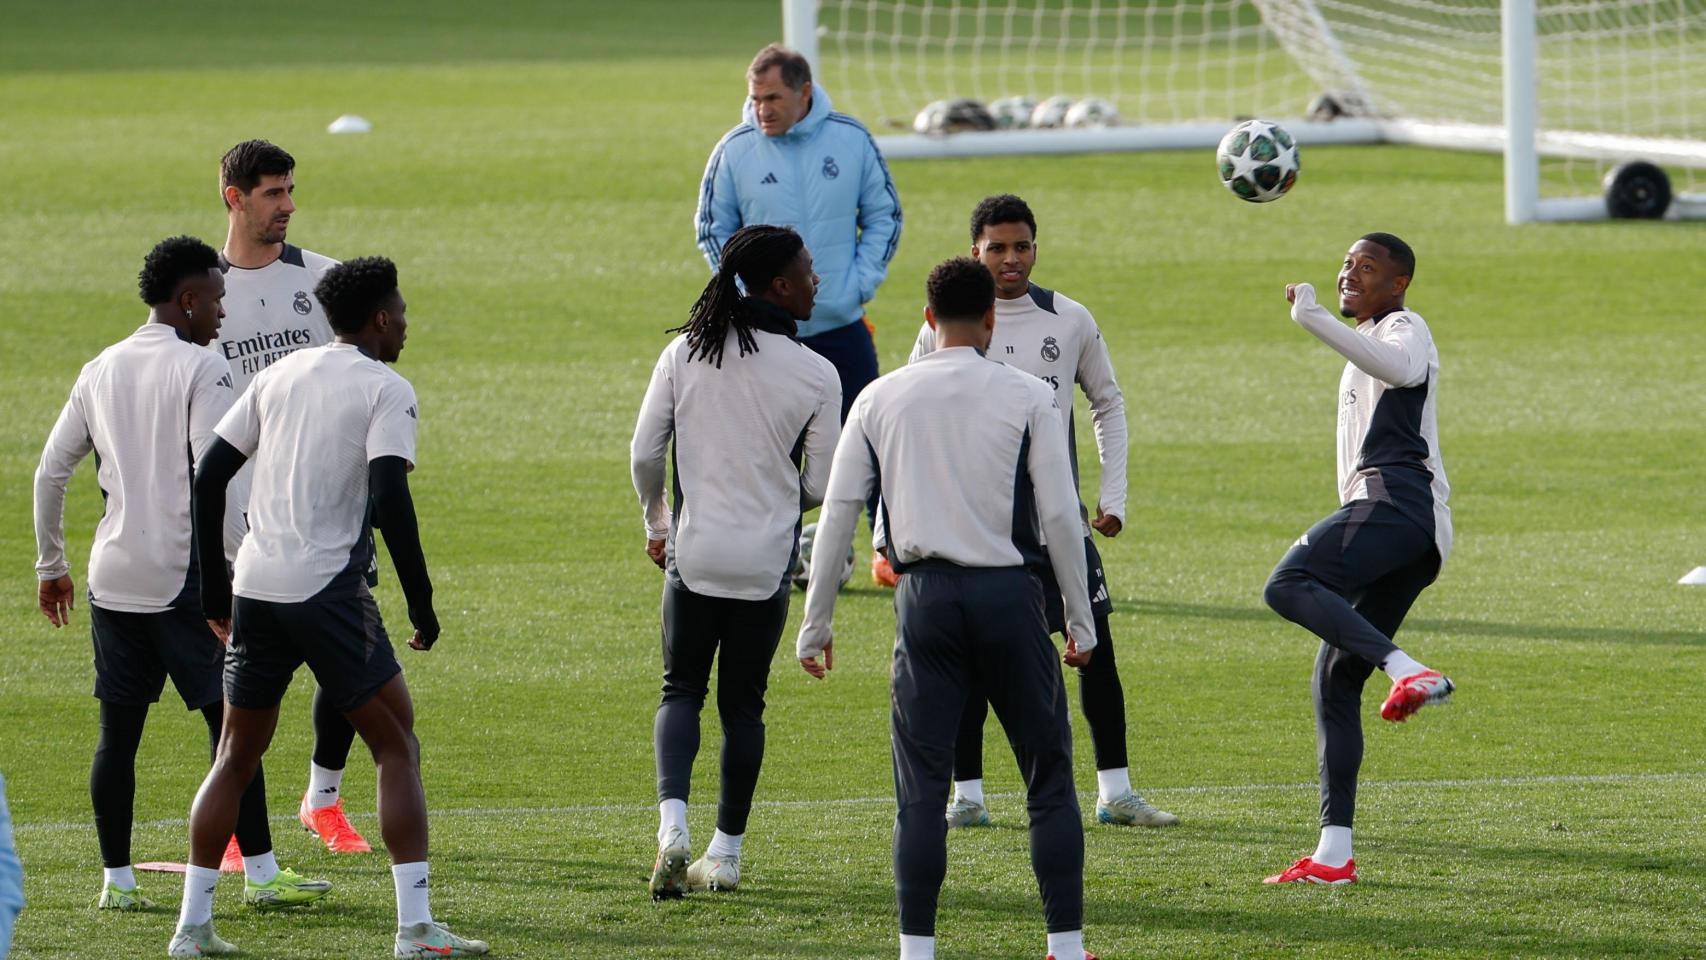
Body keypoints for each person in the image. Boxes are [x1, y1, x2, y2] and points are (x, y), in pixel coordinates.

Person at [175, 257, 486, 957]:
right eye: (401, 312)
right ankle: (413, 929)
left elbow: (209, 474)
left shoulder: (279, 376)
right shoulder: (386, 388)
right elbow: (390, 498)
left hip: (255, 584)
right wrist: (422, 601)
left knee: (234, 756)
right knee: (397, 746)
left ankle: (191, 929)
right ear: (380, 319)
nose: (406, 323)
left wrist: (212, 589)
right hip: (326, 591)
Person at [797, 258, 1098, 960]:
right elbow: (1059, 516)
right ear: (992, 318)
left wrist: (816, 625)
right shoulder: (1028, 397)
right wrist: (1079, 621)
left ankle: (917, 952)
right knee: (1048, 778)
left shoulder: (878, 397)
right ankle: (1068, 946)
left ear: (928, 321)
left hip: (924, 601)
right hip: (1010, 598)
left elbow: (840, 514)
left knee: (922, 789)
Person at [31, 236, 329, 917]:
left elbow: (51, 472)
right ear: (187, 299)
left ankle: (119, 881)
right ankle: (260, 874)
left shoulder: (99, 368)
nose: (223, 314)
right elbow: (212, 478)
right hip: (185, 580)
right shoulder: (201, 369)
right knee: (234, 731)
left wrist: (52, 565)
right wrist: (233, 569)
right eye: (217, 300)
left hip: (113, 579)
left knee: (118, 736)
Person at [902, 194, 1177, 831]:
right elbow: (913, 415)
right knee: (968, 660)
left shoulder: (1068, 319)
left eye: (1021, 245)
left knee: (1096, 646)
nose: (1010, 258)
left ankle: (1116, 792)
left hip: (1057, 519)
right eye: (996, 247)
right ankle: (967, 796)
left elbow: (1107, 402)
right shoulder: (945, 323)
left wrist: (1114, 496)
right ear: (975, 251)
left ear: (1035, 248)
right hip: (975, 523)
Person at [632, 225, 841, 899]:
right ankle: (725, 854)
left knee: (680, 690)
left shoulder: (686, 352)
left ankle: (672, 831)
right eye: (808, 272)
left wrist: (658, 520)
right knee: (743, 707)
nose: (816, 282)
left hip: (694, 556)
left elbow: (644, 453)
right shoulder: (816, 373)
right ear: (780, 286)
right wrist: (780, 498)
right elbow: (822, 483)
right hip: (764, 564)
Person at [1260, 233, 1456, 886]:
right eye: (1346, 263)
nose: (1349, 273)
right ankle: (1334, 854)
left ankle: (1411, 670)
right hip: (1404, 526)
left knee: (1288, 584)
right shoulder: (1370, 345)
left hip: (1399, 504)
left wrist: (1311, 315)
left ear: (1397, 284)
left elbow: (1398, 369)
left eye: (1366, 268)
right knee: (1335, 682)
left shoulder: (1407, 327)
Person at [213, 138, 372, 856]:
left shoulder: (325, 281)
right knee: (242, 683)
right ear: (234, 198)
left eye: (290, 190)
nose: (288, 205)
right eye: (273, 193)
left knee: (349, 663)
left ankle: (324, 799)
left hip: (329, 512)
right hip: (240, 521)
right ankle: (241, 826)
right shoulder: (203, 294)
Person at [695, 43, 902, 563]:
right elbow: (713, 231)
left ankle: (887, 550)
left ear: (804, 92)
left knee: (868, 434)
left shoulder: (850, 141)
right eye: (755, 98)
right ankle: (775, 550)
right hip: (765, 334)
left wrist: (857, 285)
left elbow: (884, 215)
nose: (761, 108)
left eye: (772, 97)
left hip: (840, 325)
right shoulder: (735, 150)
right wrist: (748, 298)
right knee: (768, 447)